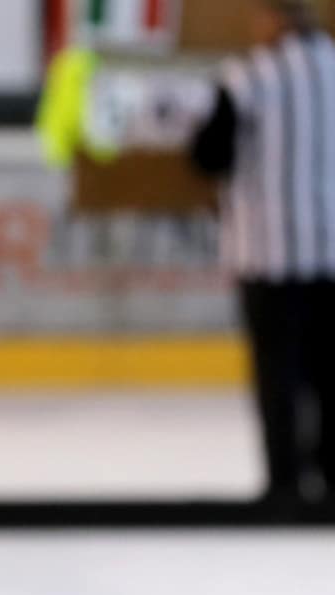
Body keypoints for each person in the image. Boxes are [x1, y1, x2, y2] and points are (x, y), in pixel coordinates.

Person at [189, 0, 335, 511]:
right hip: (331, 250)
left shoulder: (248, 78)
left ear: (275, 19)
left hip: (268, 250)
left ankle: (284, 483)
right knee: (327, 373)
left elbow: (210, 155)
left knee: (278, 376)